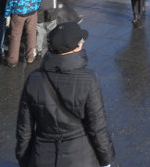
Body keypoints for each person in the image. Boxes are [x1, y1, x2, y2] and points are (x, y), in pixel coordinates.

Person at [16, 22, 117, 167]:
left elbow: (24, 128)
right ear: (78, 46)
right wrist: (106, 160)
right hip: (81, 157)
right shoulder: (88, 80)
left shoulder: (33, 79)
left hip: (42, 156)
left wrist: (24, 159)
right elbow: (97, 126)